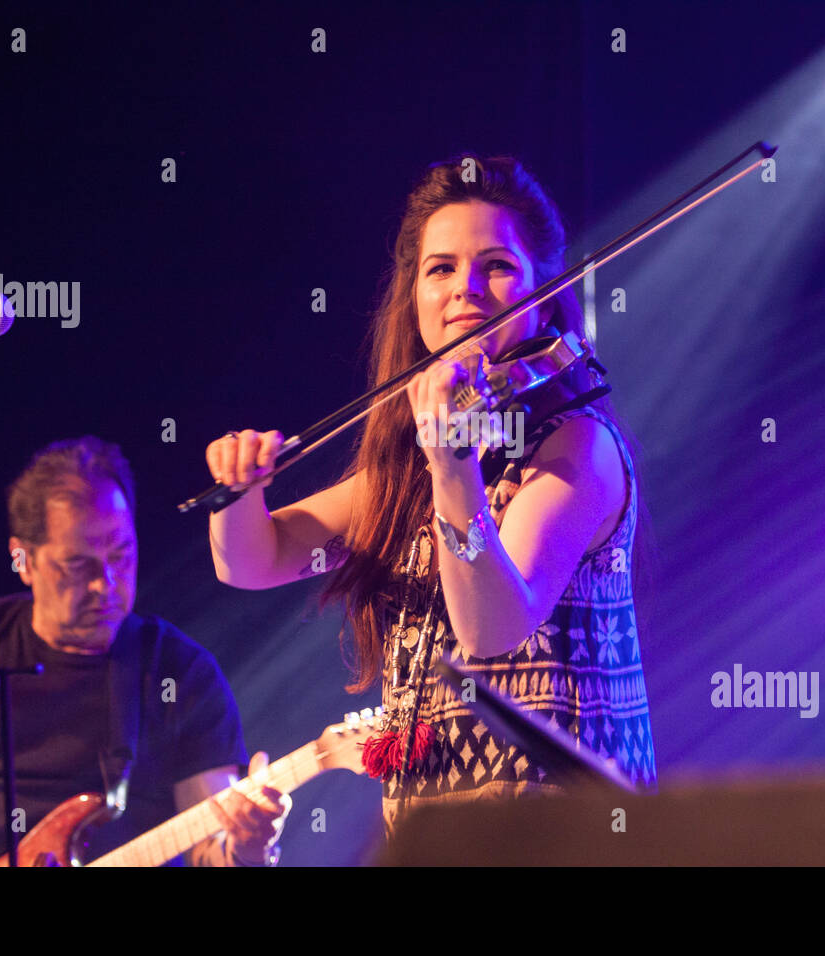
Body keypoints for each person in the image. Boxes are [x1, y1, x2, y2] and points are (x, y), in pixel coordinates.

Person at [206, 155, 656, 834]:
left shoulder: (573, 447)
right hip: (440, 835)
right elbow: (252, 560)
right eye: (439, 269)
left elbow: (493, 627)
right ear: (412, 296)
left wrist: (452, 463)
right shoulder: (411, 470)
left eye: (497, 267)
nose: (464, 291)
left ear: (541, 286)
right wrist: (238, 491)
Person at [0, 436, 289, 866]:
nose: (104, 584)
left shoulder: (181, 672)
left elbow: (213, 847)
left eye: (121, 555)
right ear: (22, 560)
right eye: (77, 564)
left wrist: (249, 844)